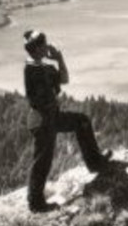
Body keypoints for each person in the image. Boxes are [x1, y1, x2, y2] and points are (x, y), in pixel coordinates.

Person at [23, 29, 111, 212]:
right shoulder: (32, 69)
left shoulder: (42, 67)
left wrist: (59, 58)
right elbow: (46, 90)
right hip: (42, 120)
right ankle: (35, 203)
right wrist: (56, 59)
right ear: (38, 48)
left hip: (51, 117)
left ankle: (95, 162)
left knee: (82, 121)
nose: (47, 47)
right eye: (44, 44)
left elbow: (64, 79)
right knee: (42, 161)